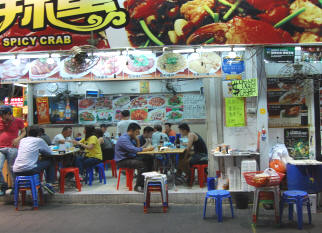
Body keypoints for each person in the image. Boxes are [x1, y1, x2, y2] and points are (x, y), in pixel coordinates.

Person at [13, 126, 55, 194]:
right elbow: (49, 152)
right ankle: (49, 184)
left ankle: (40, 182)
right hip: (29, 170)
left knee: (36, 162)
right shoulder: (39, 140)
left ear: (28, 133)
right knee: (50, 161)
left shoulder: (22, 140)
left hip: (16, 170)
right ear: (39, 134)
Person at [115, 123, 154, 192]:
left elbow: (137, 149)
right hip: (122, 160)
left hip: (130, 158)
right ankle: (138, 186)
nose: (138, 133)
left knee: (149, 158)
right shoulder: (124, 139)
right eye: (136, 131)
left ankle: (147, 181)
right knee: (141, 164)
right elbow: (134, 150)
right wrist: (148, 149)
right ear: (131, 130)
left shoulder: (131, 138)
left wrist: (137, 140)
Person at [0, 105, 26, 195]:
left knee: (12, 168)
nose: (1, 117)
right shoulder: (0, 121)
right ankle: (3, 186)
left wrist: (18, 139)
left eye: (3, 115)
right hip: (1, 148)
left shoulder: (18, 121)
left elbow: (24, 131)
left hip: (12, 148)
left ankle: (15, 187)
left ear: (8, 113)